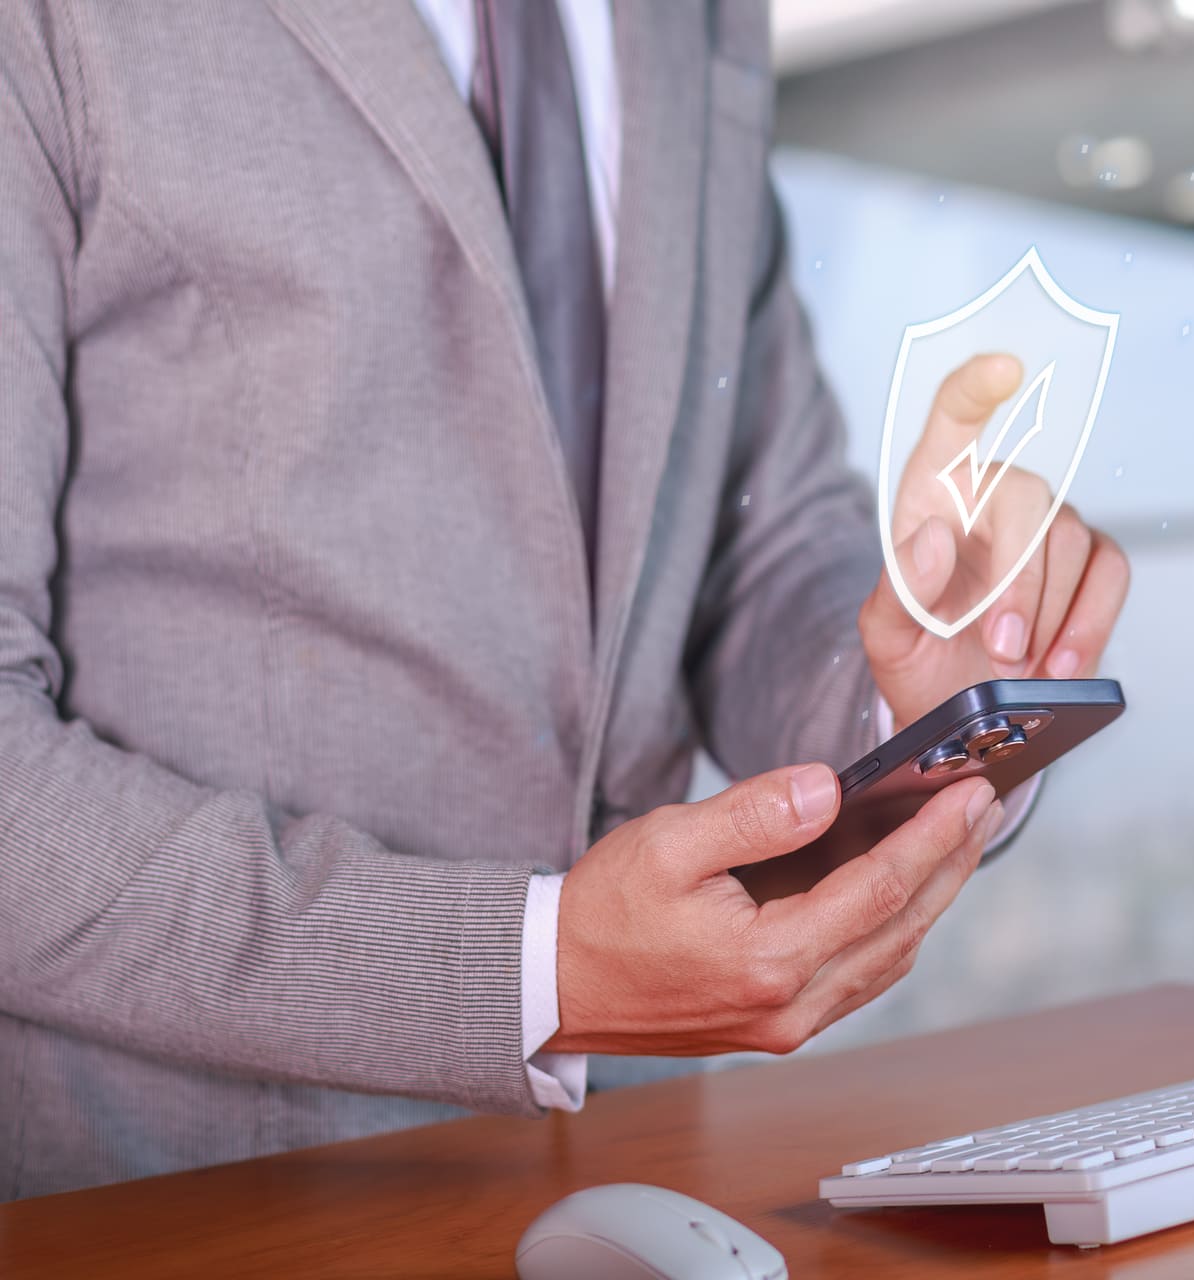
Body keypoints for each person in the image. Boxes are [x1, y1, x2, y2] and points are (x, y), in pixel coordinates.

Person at [0, 1, 1128, 1200]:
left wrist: (915, 693)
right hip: (188, 1193)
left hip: (639, 1175)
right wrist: (527, 973)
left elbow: (754, 539)